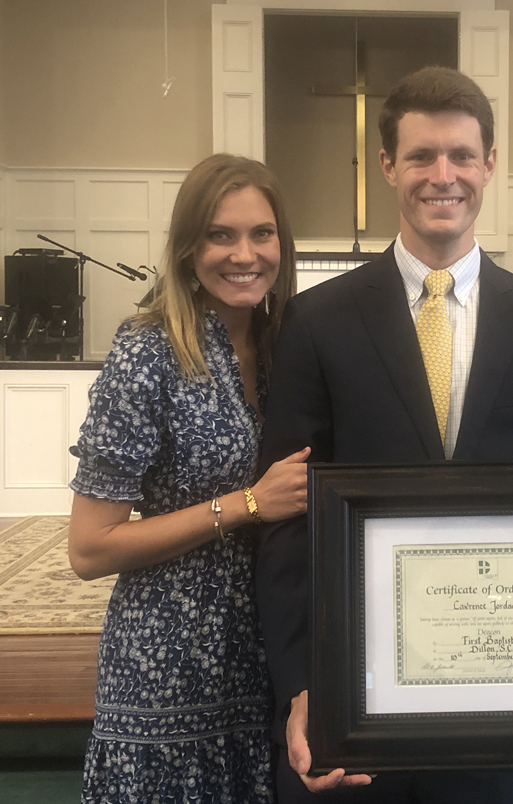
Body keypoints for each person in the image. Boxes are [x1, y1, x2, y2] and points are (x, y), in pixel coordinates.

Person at [255, 66, 513, 804]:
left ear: (490, 164)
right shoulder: (316, 321)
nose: (441, 175)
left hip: (500, 692)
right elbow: (286, 523)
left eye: (460, 155)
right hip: (355, 688)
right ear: (388, 165)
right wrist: (299, 684)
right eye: (420, 156)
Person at [67, 154, 310, 804]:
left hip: (269, 655)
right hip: (167, 665)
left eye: (261, 233)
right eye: (220, 234)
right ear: (187, 248)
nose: (244, 254)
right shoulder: (147, 353)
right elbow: (90, 548)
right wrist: (246, 504)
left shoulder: (292, 342)